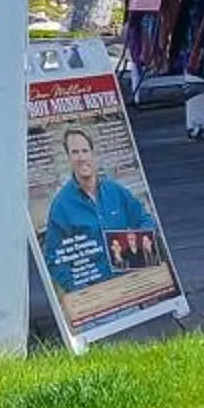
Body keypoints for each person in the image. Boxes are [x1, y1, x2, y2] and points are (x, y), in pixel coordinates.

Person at [40, 124, 157, 292]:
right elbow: (54, 259)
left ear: (93, 154)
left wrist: (140, 250)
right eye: (75, 152)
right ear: (68, 157)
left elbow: (145, 219)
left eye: (85, 151)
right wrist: (80, 290)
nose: (81, 158)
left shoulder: (115, 190)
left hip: (131, 288)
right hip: (96, 300)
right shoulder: (61, 205)